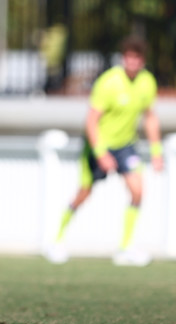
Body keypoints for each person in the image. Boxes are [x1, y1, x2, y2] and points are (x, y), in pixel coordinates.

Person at [45, 35, 163, 266]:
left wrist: (157, 153)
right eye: (128, 57)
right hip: (98, 145)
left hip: (126, 146)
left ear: (143, 61)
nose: (132, 62)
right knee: (84, 193)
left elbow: (150, 118)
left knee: (138, 191)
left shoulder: (147, 82)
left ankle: (125, 248)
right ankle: (56, 241)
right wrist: (101, 153)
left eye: (136, 58)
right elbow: (91, 121)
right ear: (123, 58)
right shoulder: (109, 82)